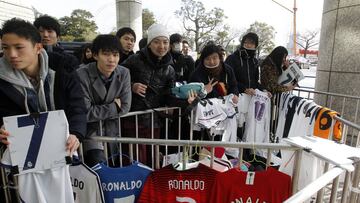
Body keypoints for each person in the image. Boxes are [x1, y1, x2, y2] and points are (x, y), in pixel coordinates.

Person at [0, 18, 86, 202]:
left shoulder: (63, 67)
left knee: (63, 194)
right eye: (5, 48)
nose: (11, 54)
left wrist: (76, 133)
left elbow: (77, 105)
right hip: (23, 155)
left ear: (38, 47)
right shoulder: (1, 78)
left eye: (19, 47)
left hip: (61, 148)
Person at [121, 23, 194, 166]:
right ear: (149, 44)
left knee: (151, 160)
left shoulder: (169, 69)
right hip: (132, 120)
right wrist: (131, 86)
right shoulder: (135, 60)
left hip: (154, 123)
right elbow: (116, 78)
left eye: (165, 42)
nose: (162, 46)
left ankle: (150, 187)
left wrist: (187, 102)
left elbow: (168, 96)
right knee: (133, 160)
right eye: (156, 42)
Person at [77, 34, 131, 167]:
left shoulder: (124, 73)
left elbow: (125, 106)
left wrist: (106, 108)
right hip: (92, 134)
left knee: (115, 170)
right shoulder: (82, 74)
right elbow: (86, 112)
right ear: (95, 55)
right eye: (106, 54)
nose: (111, 60)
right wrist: (114, 107)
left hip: (113, 132)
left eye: (115, 55)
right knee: (98, 171)